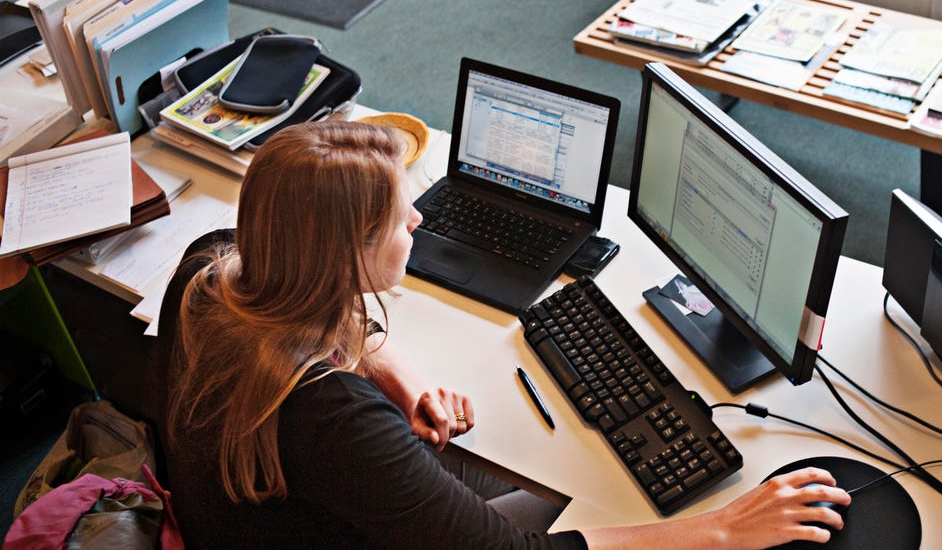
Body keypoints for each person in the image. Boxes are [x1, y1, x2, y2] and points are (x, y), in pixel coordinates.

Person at [151, 121, 850, 549]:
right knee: (585, 498)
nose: (419, 223)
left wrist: (398, 373)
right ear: (348, 256)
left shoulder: (211, 272)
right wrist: (727, 529)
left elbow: (333, 321)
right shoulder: (333, 420)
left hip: (249, 528)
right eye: (400, 219)